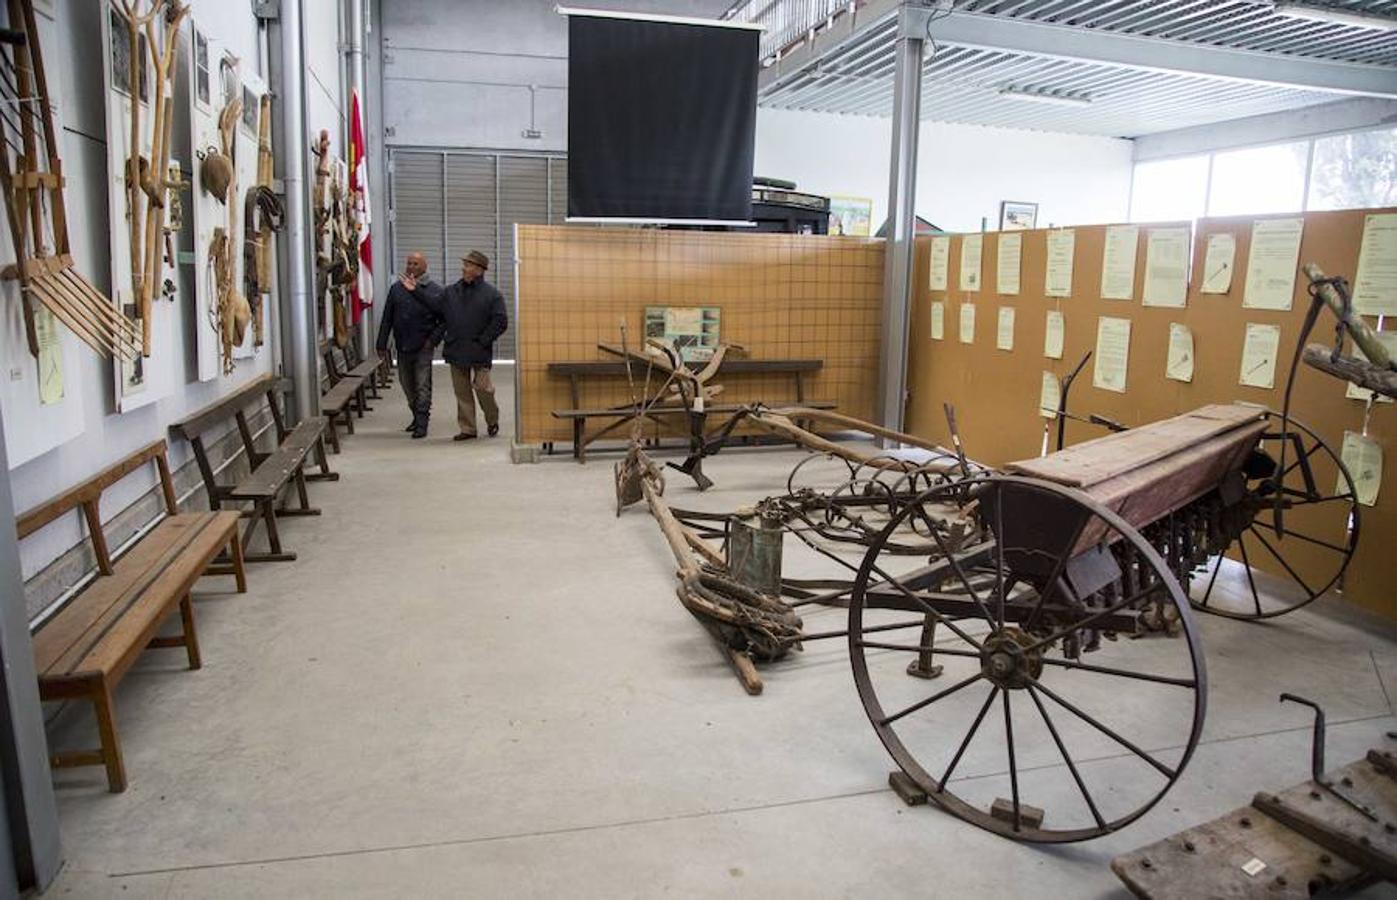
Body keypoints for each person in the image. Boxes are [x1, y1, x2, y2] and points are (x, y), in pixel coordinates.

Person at [439, 250, 508, 441]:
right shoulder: (452, 291)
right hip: (456, 349)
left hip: (480, 351)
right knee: (462, 392)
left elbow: (501, 321)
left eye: (468, 265)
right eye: (465, 264)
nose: (464, 268)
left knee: (483, 389)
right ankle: (468, 428)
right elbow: (438, 310)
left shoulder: (492, 295)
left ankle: (492, 419)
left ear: (479, 270)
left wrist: (483, 340)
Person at [375, 251, 444, 439]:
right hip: (402, 345)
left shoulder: (435, 291)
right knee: (407, 384)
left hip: (423, 346)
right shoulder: (396, 289)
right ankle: (415, 415)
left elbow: (443, 320)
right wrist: (381, 344)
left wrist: (432, 341)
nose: (411, 267)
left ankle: (422, 423)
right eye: (408, 263)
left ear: (424, 267)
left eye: (415, 264)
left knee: (422, 385)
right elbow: (387, 317)